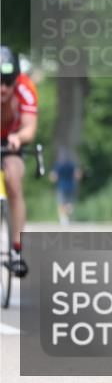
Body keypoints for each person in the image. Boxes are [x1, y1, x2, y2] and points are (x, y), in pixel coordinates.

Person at [0, 45, 37, 277]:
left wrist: (18, 137)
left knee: (13, 180)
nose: (3, 88)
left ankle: (16, 250)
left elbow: (30, 128)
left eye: (8, 82)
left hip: (10, 141)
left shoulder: (25, 87)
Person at [50, 154, 82, 226]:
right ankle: (68, 215)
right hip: (71, 186)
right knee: (69, 203)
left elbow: (53, 177)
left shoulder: (58, 166)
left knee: (61, 203)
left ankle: (63, 218)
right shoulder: (72, 165)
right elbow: (77, 175)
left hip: (61, 187)